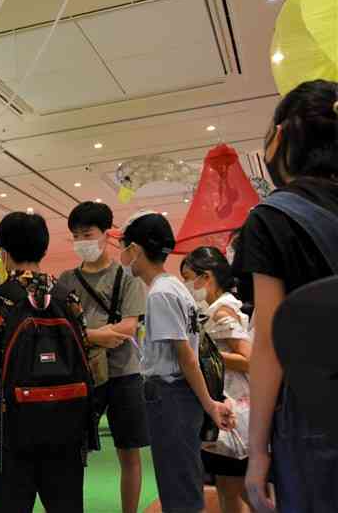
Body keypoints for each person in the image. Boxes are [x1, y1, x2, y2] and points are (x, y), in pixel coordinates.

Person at [233, 79, 338, 513]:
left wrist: (257, 453)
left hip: (313, 415)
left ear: (279, 138)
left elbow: (271, 346)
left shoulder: (274, 217)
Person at [0, 211, 92, 513]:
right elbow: (86, 358)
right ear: (43, 248)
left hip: (13, 427)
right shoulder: (68, 297)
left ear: (5, 252)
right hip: (68, 424)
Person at [119, 211, 234, 513]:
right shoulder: (173, 288)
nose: (122, 254)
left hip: (171, 396)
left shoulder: (160, 294)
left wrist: (209, 403)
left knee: (178, 486)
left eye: (124, 246)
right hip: (175, 396)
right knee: (182, 478)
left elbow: (186, 357)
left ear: (136, 249)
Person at [59, 201, 149, 513]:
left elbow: (126, 328)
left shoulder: (127, 276)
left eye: (87, 233)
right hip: (82, 375)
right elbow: (61, 331)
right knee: (73, 451)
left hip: (124, 374)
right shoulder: (65, 280)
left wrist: (83, 334)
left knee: (129, 452)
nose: (82, 241)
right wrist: (99, 335)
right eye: (76, 235)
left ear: (105, 234)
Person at [182, 247, 252, 513]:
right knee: (238, 487)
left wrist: (205, 355)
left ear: (206, 276)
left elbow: (248, 359)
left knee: (231, 489)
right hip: (235, 407)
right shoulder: (222, 307)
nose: (188, 285)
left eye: (189, 277)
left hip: (234, 408)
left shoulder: (221, 311)